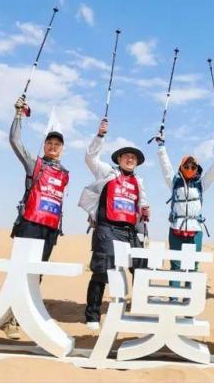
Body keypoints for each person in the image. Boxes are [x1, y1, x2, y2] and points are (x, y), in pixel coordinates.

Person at [3, 96, 71, 339]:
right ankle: (11, 317)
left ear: (62, 149)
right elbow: (15, 141)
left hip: (50, 229)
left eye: (57, 144)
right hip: (30, 224)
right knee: (20, 271)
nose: (53, 146)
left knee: (37, 274)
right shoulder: (35, 164)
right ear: (44, 145)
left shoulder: (65, 173)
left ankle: (26, 312)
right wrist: (18, 115)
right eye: (49, 143)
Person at [79, 118, 150, 331]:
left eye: (133, 158)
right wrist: (100, 136)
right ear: (119, 159)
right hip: (107, 229)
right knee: (102, 269)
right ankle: (92, 314)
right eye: (126, 156)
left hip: (130, 231)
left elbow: (142, 203)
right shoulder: (107, 172)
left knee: (141, 266)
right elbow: (90, 158)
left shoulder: (139, 182)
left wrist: (145, 210)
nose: (130, 159)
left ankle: (140, 309)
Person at [156, 132, 214, 288]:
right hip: (176, 229)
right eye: (186, 166)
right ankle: (173, 298)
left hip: (195, 230)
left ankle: (189, 298)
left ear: (197, 169)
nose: (189, 168)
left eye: (193, 166)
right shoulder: (174, 182)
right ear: (181, 168)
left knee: (192, 266)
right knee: (175, 265)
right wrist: (161, 146)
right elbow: (165, 166)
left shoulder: (202, 183)